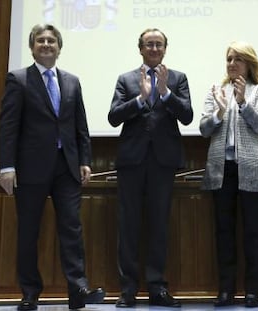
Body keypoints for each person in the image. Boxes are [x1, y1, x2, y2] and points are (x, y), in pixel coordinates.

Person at [0, 24, 105, 311]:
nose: (46, 44)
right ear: (32, 47)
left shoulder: (71, 81)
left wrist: (85, 160)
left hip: (66, 166)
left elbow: (79, 125)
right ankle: (30, 292)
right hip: (30, 168)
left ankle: (78, 290)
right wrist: (7, 166)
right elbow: (8, 127)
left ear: (59, 47)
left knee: (72, 226)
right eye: (40, 41)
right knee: (29, 231)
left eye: (51, 40)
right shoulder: (18, 79)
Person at [108, 28, 193, 308]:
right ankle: (128, 290)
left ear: (165, 49)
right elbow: (113, 117)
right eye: (149, 44)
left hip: (163, 162)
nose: (154, 48)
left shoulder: (177, 79)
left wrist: (165, 93)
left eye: (159, 44)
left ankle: (157, 288)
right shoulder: (126, 79)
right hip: (132, 161)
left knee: (159, 225)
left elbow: (187, 115)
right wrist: (140, 100)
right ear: (140, 48)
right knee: (129, 226)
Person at [199, 41, 258, 308]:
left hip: (251, 168)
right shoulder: (217, 91)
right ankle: (226, 291)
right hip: (222, 169)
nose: (231, 64)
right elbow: (204, 129)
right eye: (229, 59)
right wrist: (219, 111)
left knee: (253, 231)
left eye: (237, 59)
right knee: (224, 231)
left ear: (249, 63)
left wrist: (243, 103)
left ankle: (253, 291)